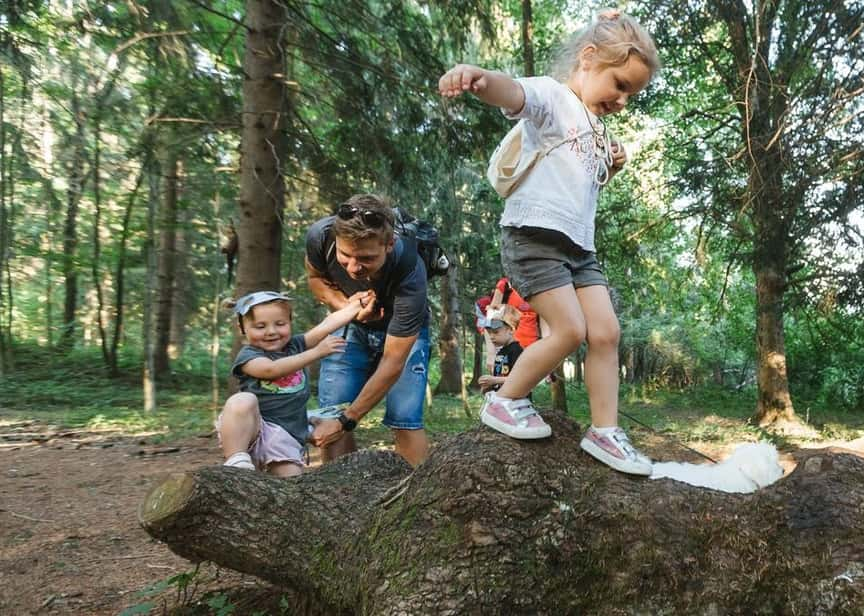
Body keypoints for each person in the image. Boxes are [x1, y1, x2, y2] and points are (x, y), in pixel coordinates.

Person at [438, 10, 660, 475]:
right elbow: (515, 93)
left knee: (606, 333)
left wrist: (611, 164)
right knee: (570, 330)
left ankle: (604, 431)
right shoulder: (554, 98)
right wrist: (479, 78)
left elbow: (579, 183)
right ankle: (505, 400)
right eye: (619, 85)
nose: (622, 100)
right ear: (588, 58)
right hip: (534, 238)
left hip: (579, 249)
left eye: (631, 95)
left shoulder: (598, 128)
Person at [304, 193, 434, 466]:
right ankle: (339, 495)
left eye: (366, 258)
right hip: (349, 328)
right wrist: (346, 307)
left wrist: (347, 420)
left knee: (405, 417)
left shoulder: (410, 268)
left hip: (404, 335)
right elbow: (315, 278)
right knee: (331, 412)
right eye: (345, 255)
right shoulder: (320, 237)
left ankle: (413, 498)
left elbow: (393, 361)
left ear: (389, 244)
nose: (353, 267)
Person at [217, 289, 374, 476]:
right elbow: (271, 369)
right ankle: (236, 460)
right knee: (242, 400)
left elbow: (326, 326)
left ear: (290, 322)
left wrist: (356, 306)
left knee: (290, 484)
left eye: (280, 324)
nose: (271, 332)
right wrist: (316, 352)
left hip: (287, 433)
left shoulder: (295, 345)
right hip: (256, 428)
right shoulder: (249, 355)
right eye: (260, 326)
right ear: (242, 328)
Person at [478, 306, 524, 395]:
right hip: (502, 399)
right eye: (489, 332)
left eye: (495, 332)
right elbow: (500, 377)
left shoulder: (517, 350)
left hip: (516, 402)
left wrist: (494, 380)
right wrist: (489, 386)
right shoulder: (501, 352)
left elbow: (520, 378)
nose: (491, 336)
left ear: (510, 330)